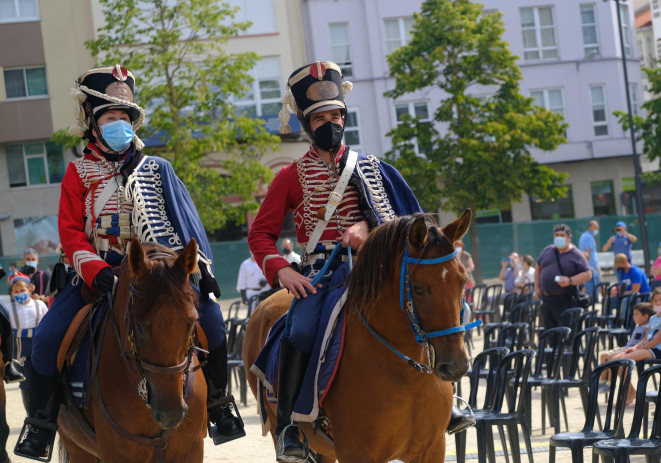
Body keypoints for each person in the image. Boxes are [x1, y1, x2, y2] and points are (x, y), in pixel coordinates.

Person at [14, 65, 244, 461]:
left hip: (159, 279)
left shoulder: (157, 169)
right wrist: (99, 273)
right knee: (48, 340)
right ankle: (41, 426)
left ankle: (220, 406)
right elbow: (70, 233)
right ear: (93, 123)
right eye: (109, 117)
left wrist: (198, 273)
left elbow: (184, 221)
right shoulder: (78, 173)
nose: (119, 124)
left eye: (124, 117)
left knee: (212, 326)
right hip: (96, 278)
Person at [248, 61, 468, 462]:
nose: (330, 123)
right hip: (322, 274)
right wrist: (281, 270)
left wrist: (368, 229)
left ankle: (449, 399)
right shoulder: (289, 177)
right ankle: (292, 426)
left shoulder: (375, 169)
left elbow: (413, 225)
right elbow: (259, 234)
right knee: (300, 328)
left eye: (336, 115)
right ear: (306, 124)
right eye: (320, 117)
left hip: (380, 271)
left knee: (445, 303)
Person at [615, 286, 661, 406]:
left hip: (656, 350)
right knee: (617, 360)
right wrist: (635, 348)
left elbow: (659, 338)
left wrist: (642, 348)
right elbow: (645, 338)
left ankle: (629, 394)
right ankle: (631, 392)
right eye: (656, 301)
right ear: (652, 303)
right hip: (646, 347)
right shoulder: (653, 318)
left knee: (623, 361)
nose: (658, 303)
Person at [534, 224, 592, 331]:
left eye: (562, 235)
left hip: (565, 298)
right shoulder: (548, 250)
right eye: (556, 235)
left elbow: (587, 274)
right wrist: (537, 288)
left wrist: (570, 281)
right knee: (550, 333)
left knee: (566, 333)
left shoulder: (576, 254)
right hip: (546, 299)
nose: (559, 237)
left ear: (569, 237)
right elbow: (538, 267)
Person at [8, 274, 48, 414]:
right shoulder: (9, 309)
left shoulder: (40, 305)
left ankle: (44, 410)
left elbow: (46, 325)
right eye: (16, 292)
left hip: (39, 346)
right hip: (20, 349)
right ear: (12, 293)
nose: (20, 294)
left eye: (22, 290)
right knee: (25, 382)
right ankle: (30, 413)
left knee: (42, 377)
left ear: (30, 289)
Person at [597, 302, 654, 391]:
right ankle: (602, 379)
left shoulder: (647, 327)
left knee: (612, 359)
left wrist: (635, 348)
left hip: (633, 349)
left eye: (636, 314)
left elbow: (645, 341)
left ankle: (609, 382)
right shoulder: (638, 325)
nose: (633, 316)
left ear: (645, 316)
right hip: (627, 347)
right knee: (604, 355)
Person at [578, 220, 601, 300]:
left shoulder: (583, 235)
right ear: (591, 227)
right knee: (596, 284)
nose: (597, 230)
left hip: (587, 264)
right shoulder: (589, 237)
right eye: (596, 228)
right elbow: (588, 251)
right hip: (592, 265)